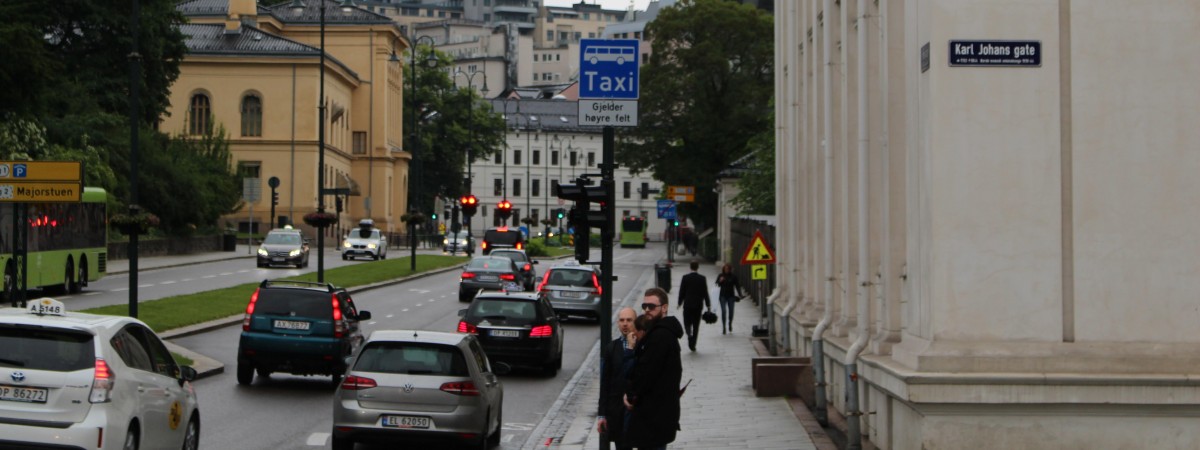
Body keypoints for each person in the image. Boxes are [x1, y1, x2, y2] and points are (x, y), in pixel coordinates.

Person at [623, 288, 683, 450]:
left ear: (664, 308)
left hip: (654, 416)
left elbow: (645, 374)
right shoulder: (660, 333)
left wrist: (631, 395)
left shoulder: (660, 337)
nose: (647, 310)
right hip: (657, 415)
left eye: (652, 306)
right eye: (645, 306)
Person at [598, 307, 638, 450]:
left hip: (638, 411)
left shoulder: (642, 345)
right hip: (617, 411)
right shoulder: (612, 348)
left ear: (636, 322)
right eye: (622, 320)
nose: (625, 324)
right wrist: (602, 414)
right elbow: (605, 383)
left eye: (629, 320)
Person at [676, 261, 711, 352]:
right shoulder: (702, 278)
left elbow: (682, 291)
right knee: (696, 325)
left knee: (687, 322)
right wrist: (708, 304)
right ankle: (693, 343)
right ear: (697, 267)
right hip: (698, 305)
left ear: (690, 267)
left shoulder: (685, 278)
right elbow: (705, 292)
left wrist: (679, 303)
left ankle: (689, 335)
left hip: (687, 304)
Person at [715, 263, 744, 335]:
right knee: (723, 311)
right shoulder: (720, 275)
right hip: (722, 296)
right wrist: (720, 281)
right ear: (723, 269)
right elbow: (716, 284)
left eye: (727, 269)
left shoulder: (733, 277)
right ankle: (724, 327)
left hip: (731, 296)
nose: (726, 270)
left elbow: (737, 286)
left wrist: (740, 294)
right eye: (725, 269)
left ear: (730, 269)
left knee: (731, 312)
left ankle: (730, 323)